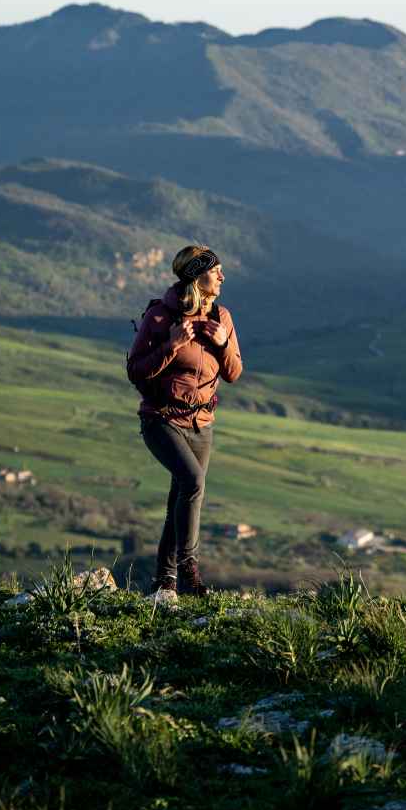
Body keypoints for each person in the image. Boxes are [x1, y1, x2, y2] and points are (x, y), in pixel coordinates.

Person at [127, 245, 243, 597]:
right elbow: (136, 371)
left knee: (181, 495)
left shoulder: (222, 317)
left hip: (202, 423)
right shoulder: (161, 318)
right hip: (161, 419)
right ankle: (189, 570)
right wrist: (172, 346)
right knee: (192, 482)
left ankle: (164, 580)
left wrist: (223, 344)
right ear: (196, 276)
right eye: (215, 270)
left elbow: (234, 372)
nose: (222, 276)